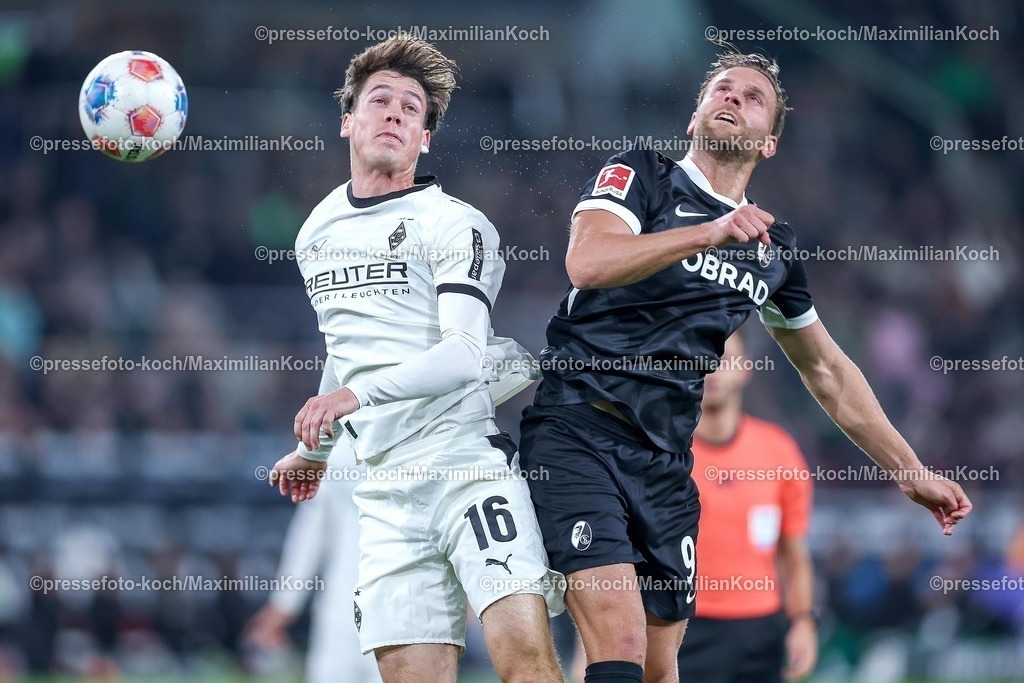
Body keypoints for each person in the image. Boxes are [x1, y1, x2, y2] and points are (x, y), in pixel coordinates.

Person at [517, 47, 972, 683]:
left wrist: (909, 471)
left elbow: (828, 373)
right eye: (721, 90)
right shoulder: (641, 175)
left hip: (666, 460)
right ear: (693, 117)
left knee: (658, 667)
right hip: (578, 430)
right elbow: (587, 262)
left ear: (769, 144)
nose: (732, 98)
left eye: (752, 97)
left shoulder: (772, 249)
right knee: (616, 641)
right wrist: (708, 232)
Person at [267, 36, 564, 683]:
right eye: (380, 100)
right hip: (384, 495)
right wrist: (315, 452)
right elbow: (348, 352)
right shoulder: (316, 232)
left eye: (412, 108)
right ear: (348, 120)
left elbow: (461, 356)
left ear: (425, 138)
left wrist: (351, 399)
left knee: (525, 662)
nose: (396, 113)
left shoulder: (456, 225)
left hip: (466, 470)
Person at [675, 330, 816, 683]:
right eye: (702, 360)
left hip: (759, 632)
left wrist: (802, 621)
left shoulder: (778, 451)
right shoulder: (663, 454)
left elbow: (793, 551)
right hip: (678, 626)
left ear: (746, 368)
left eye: (723, 359)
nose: (713, 370)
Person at [244, 474, 381, 683]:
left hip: (409, 606)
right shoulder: (336, 450)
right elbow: (313, 527)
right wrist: (284, 603)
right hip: (341, 609)